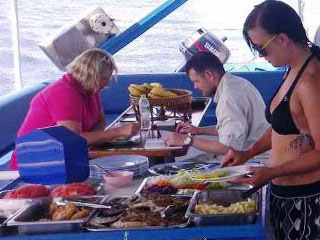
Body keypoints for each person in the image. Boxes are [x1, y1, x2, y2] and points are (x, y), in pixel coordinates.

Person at [221, 1, 320, 239]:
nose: (260, 56)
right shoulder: (291, 68)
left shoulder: (311, 81)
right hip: (284, 195)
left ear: (283, 38)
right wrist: (248, 152)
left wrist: (271, 171)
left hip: (307, 201)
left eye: (261, 49)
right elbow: (282, 126)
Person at [10, 48, 140, 170]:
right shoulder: (64, 92)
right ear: (91, 75)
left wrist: (93, 140)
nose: (107, 83)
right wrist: (117, 132)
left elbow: (100, 122)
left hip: (65, 156)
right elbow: (73, 139)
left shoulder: (90, 89)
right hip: (36, 162)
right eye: (104, 78)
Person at [163, 51, 269, 157]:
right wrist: (198, 130)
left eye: (197, 81)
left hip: (254, 161)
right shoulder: (237, 83)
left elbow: (228, 148)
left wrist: (187, 140)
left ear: (209, 75)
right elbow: (229, 130)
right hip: (256, 153)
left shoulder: (228, 98)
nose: (195, 87)